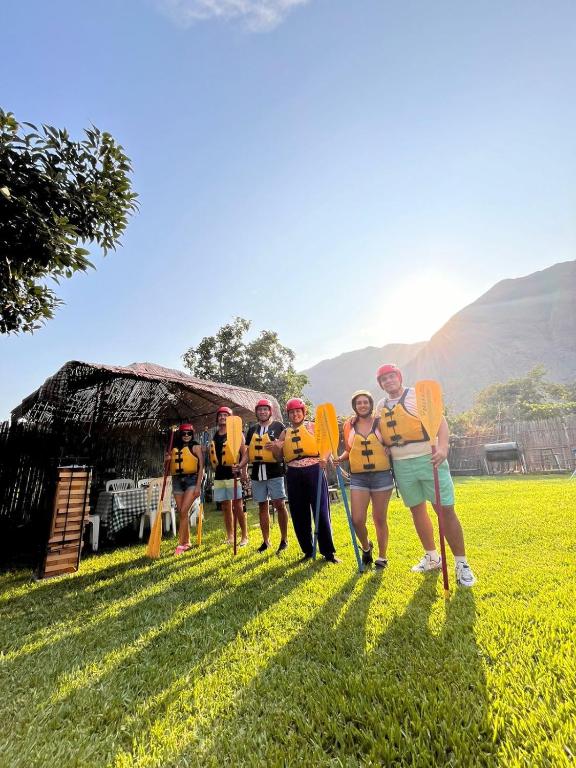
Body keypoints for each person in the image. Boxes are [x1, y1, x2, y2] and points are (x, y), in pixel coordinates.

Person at [374, 364, 476, 587]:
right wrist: (386, 446)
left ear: (399, 377)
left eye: (392, 376)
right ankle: (432, 557)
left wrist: (443, 447)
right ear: (380, 384)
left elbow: (440, 421)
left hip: (429, 458)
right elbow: (381, 431)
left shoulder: (417, 396)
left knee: (445, 509)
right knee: (416, 509)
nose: (389, 381)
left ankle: (462, 564)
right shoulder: (381, 406)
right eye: (384, 379)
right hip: (401, 464)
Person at [272, 398, 339, 563]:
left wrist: (325, 457)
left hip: (314, 469)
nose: (295, 414)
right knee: (299, 513)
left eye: (298, 411)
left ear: (303, 412)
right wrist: (276, 448)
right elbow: (278, 457)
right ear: (288, 415)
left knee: (321, 511)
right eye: (292, 412)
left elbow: (327, 444)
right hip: (293, 473)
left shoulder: (313, 427)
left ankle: (328, 552)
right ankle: (308, 550)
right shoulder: (285, 432)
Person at [333, 390, 393, 568]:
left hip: (382, 476)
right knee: (357, 519)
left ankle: (382, 557)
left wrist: (390, 449)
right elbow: (350, 448)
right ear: (354, 406)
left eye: (365, 402)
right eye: (359, 403)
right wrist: (340, 458)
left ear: (370, 404)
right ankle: (366, 548)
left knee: (379, 518)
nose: (362, 405)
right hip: (359, 477)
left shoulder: (380, 422)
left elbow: (390, 443)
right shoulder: (349, 425)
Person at [242, 398, 289, 555]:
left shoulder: (278, 426)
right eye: (259, 410)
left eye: (265, 409)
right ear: (256, 412)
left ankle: (284, 540)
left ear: (270, 411)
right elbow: (248, 453)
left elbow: (282, 453)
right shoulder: (252, 429)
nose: (262, 412)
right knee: (262, 506)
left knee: (279, 504)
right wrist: (241, 466)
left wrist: (275, 447)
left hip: (275, 472)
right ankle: (266, 541)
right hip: (257, 473)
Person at [209, 406, 248, 546]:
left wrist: (243, 471)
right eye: (220, 415)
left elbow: (245, 453)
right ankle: (230, 535)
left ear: (230, 418)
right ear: (217, 419)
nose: (222, 417)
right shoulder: (215, 435)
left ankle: (244, 536)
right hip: (220, 474)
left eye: (226, 415)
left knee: (238, 506)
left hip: (234, 474)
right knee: (225, 506)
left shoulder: (237, 433)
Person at [169, 423, 204, 555]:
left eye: (189, 433)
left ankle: (180, 544)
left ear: (192, 434)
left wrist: (198, 486)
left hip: (191, 480)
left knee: (183, 511)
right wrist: (167, 460)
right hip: (177, 481)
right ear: (180, 434)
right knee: (182, 512)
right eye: (183, 433)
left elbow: (201, 467)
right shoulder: (174, 447)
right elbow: (168, 466)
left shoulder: (196, 447)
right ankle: (187, 542)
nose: (186, 436)